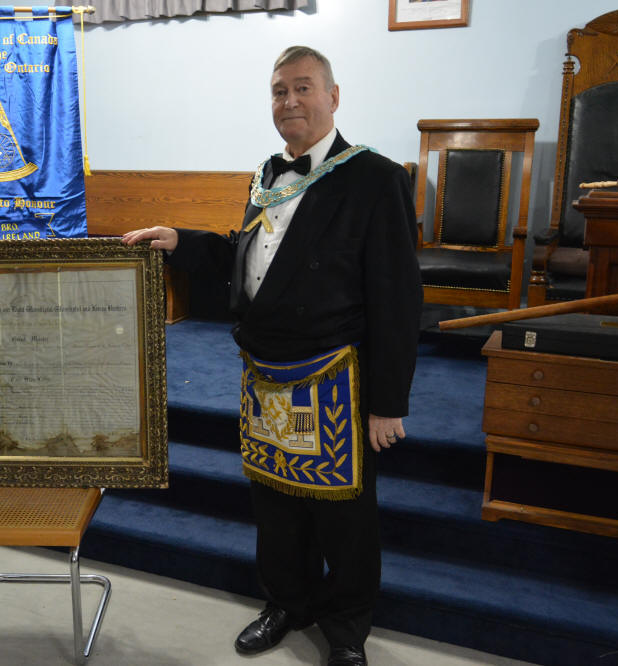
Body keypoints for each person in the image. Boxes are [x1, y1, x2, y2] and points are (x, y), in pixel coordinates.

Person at [123, 45, 422, 666]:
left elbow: (397, 297)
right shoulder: (266, 173)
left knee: (344, 517)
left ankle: (347, 630)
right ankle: (287, 602)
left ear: (333, 96)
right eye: (280, 91)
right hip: (264, 372)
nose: (290, 101)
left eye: (303, 88)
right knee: (276, 505)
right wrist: (181, 241)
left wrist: (388, 401)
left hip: (333, 375)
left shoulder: (376, 178)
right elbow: (250, 256)